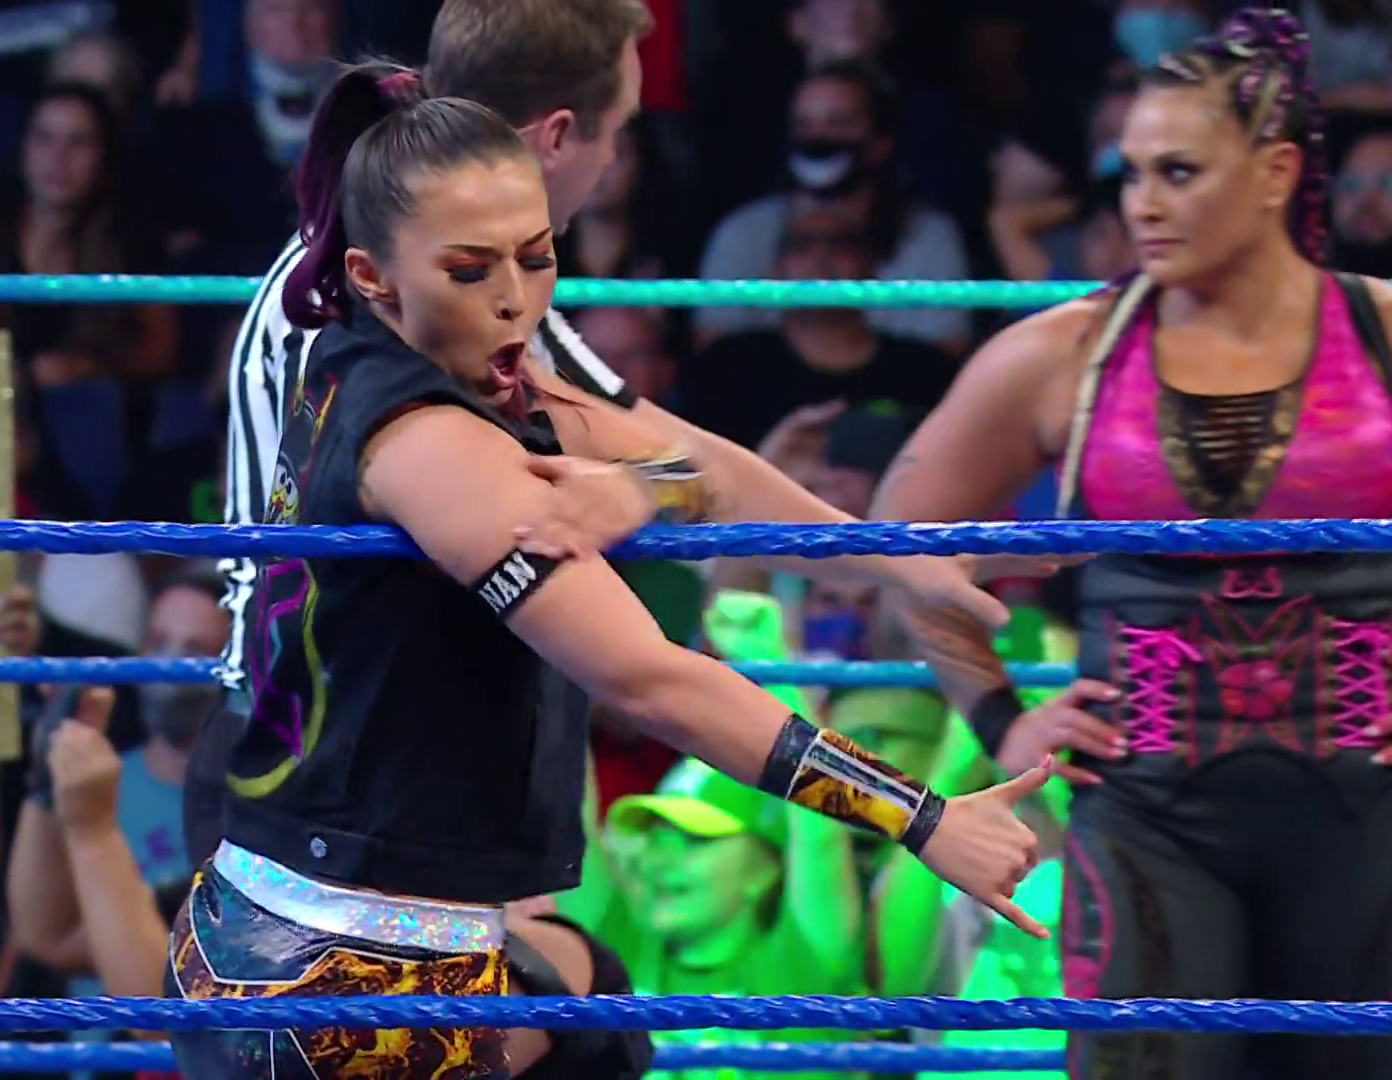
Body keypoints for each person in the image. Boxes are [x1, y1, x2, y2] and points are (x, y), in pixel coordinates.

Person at [166, 66, 1051, 1080]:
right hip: (338, 976)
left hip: (309, 916)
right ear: (374, 275)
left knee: (590, 997)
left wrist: (888, 561)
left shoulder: (439, 368)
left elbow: (698, 468)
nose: (514, 300)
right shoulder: (430, 446)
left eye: (536, 257)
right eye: (470, 270)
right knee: (587, 1020)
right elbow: (650, 681)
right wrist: (921, 817)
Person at [869, 9, 1392, 1080]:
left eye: (1178, 172)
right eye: (1130, 174)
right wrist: (998, 717)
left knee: (1386, 1065)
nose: (1143, 204)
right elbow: (899, 536)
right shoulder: (1064, 355)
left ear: (1275, 172)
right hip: (1142, 819)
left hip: (1387, 814)